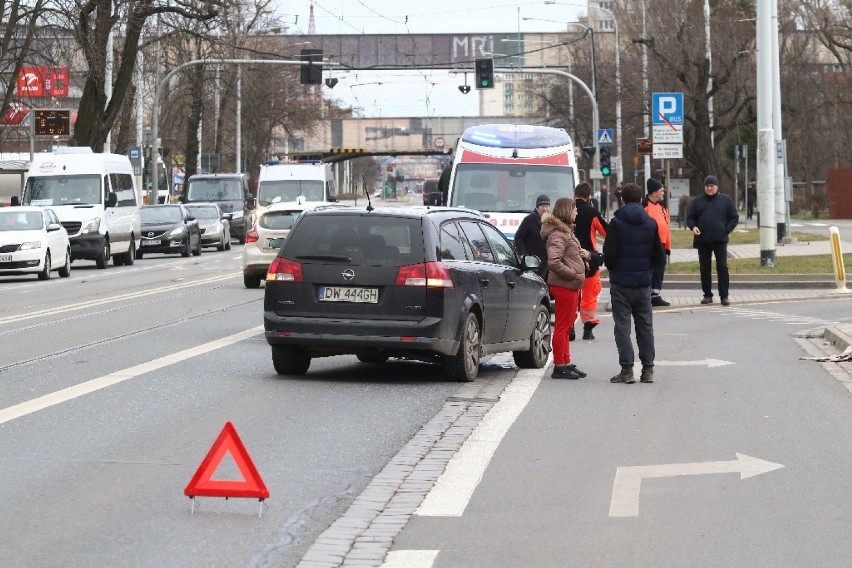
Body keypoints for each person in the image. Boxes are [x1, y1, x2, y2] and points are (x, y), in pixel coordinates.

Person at [603, 182, 666, 384]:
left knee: (622, 326)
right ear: (641, 200)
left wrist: (615, 269)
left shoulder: (616, 223)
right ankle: (648, 370)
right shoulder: (650, 223)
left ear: (622, 200)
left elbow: (609, 255)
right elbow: (659, 256)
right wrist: (647, 271)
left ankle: (627, 370)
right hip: (643, 284)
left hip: (621, 283)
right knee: (645, 327)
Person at [541, 197, 590, 379]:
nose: (577, 212)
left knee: (567, 325)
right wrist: (572, 274)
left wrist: (584, 256)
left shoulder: (565, 231)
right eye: (574, 209)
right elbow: (554, 261)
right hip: (564, 285)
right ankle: (559, 365)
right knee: (562, 327)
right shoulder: (558, 234)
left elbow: (569, 255)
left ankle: (566, 361)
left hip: (571, 285)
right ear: (566, 211)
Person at [687, 175, 740, 306]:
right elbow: (690, 218)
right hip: (703, 240)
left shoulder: (726, 200)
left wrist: (725, 230)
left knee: (722, 267)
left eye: (712, 186)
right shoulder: (698, 201)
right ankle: (707, 295)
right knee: (705, 268)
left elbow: (734, 217)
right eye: (707, 186)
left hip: (720, 240)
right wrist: (693, 227)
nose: (709, 188)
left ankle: (724, 296)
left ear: (717, 186)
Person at [573, 182, 608, 339]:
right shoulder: (591, 212)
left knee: (572, 293)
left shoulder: (567, 210)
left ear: (575, 195)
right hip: (589, 259)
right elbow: (606, 232)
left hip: (568, 259)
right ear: (588, 197)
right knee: (589, 293)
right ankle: (588, 327)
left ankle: (569, 328)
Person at [643, 178, 672, 307]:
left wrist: (667, 245)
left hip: (662, 243)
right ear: (654, 192)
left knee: (659, 269)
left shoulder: (662, 207)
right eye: (661, 191)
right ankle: (647, 295)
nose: (663, 193)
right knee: (650, 269)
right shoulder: (645, 206)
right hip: (650, 244)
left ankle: (656, 294)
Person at [514, 194, 550, 278]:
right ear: (537, 207)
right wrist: (523, 254)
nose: (545, 209)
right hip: (532, 261)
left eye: (547, 206)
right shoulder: (529, 220)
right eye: (542, 206)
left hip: (546, 262)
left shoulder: (550, 221)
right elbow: (518, 237)